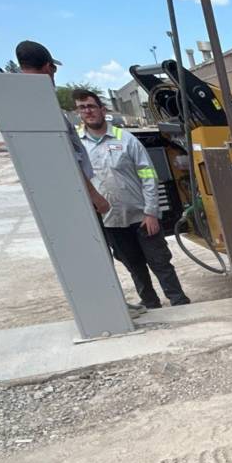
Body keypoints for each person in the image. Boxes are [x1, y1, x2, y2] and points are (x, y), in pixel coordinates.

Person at [72, 88, 190, 308]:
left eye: (91, 106)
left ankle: (179, 301)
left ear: (102, 109)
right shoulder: (78, 145)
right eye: (82, 108)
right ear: (78, 112)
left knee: (160, 262)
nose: (88, 111)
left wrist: (151, 212)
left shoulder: (126, 140)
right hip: (111, 221)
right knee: (133, 265)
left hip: (141, 217)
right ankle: (151, 304)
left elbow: (148, 176)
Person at [14, 40, 110, 220]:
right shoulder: (44, 108)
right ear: (48, 67)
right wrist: (95, 196)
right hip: (77, 198)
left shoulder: (22, 104)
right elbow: (68, 159)